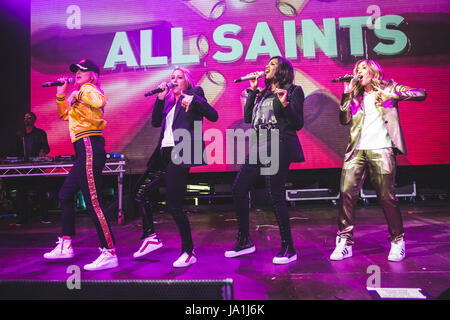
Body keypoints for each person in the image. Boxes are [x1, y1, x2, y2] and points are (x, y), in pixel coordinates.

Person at [330, 59, 427, 262]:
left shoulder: (389, 87)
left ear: (373, 71)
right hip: (356, 151)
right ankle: (344, 241)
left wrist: (394, 94)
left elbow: (421, 93)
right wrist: (347, 92)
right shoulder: (354, 95)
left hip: (381, 149)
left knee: (386, 197)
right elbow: (343, 120)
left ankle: (397, 240)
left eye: (363, 68)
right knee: (347, 192)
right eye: (356, 69)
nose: (358, 71)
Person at [132, 68, 218, 267]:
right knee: (139, 191)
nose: (175, 80)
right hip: (164, 155)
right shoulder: (170, 103)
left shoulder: (195, 94)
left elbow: (213, 115)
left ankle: (188, 251)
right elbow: (155, 122)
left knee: (174, 203)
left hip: (182, 152)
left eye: (180, 78)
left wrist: (195, 101)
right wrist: (160, 98)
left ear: (187, 82)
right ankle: (150, 237)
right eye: (172, 77)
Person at [225, 56, 305, 265]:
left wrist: (285, 103)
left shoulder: (294, 90)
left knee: (274, 194)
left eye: (272, 64)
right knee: (238, 189)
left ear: (282, 70)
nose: (266, 67)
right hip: (260, 144)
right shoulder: (262, 93)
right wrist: (252, 91)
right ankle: (244, 241)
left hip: (280, 142)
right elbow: (248, 118)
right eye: (267, 64)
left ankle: (289, 247)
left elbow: (297, 123)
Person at [43, 59, 118, 271]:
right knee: (65, 195)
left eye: (81, 71)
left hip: (90, 146)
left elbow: (100, 101)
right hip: (82, 150)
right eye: (75, 70)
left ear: (92, 75)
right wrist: (61, 95)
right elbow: (65, 115)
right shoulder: (79, 94)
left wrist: (80, 92)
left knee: (93, 202)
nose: (77, 73)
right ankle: (66, 244)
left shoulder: (89, 89)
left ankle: (109, 252)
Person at [13, 112, 52, 225]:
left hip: (37, 167)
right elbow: (16, 150)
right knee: (21, 193)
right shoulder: (20, 134)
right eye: (25, 118)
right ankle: (22, 219)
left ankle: (44, 217)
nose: (26, 120)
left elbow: (47, 148)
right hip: (23, 167)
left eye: (29, 118)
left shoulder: (40, 133)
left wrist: (42, 151)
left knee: (41, 192)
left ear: (34, 120)